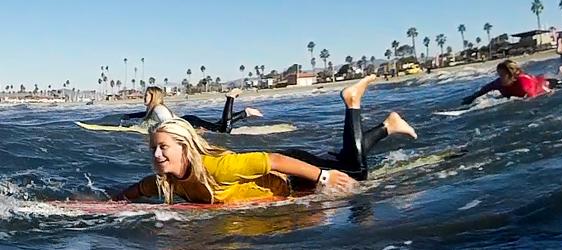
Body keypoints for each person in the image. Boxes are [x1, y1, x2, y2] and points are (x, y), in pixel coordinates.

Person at [113, 75, 417, 204]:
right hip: (286, 171)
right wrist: (113, 202)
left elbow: (273, 160)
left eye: (163, 148)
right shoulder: (167, 180)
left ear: (185, 148)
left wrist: (323, 178)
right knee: (347, 159)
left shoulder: (218, 167)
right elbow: (138, 189)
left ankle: (352, 102)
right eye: (153, 148)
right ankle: (388, 126)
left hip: (290, 172)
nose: (157, 155)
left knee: (355, 172)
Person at [461, 37, 562, 105]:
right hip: (539, 79)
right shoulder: (499, 83)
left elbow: (534, 99)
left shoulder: (523, 83)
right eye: (499, 75)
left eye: (503, 75)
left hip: (548, 84)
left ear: (511, 75)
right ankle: (560, 73)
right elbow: (482, 91)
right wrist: (469, 100)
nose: (500, 78)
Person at [121, 87, 262, 133]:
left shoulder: (159, 110)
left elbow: (170, 123)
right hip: (188, 120)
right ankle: (246, 113)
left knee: (223, 130)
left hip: (189, 124)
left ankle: (230, 98)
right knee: (219, 125)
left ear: (154, 97)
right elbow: (143, 114)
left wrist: (192, 132)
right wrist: (129, 116)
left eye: (146, 95)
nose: (143, 97)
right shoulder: (154, 109)